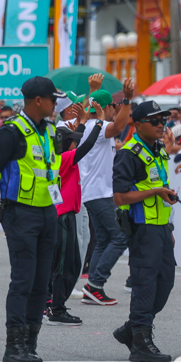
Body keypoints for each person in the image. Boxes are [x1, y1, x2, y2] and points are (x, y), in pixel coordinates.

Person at [0, 76, 71, 362]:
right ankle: (13, 346)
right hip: (20, 214)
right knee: (23, 280)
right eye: (53, 99)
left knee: (41, 283)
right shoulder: (11, 132)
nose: (56, 104)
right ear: (39, 101)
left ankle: (30, 343)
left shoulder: (48, 130)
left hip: (47, 212)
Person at [110, 101, 181, 362]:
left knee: (166, 283)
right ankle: (141, 340)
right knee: (145, 286)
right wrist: (156, 192)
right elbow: (119, 197)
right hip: (142, 230)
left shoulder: (159, 149)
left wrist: (167, 218)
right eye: (155, 121)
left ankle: (131, 329)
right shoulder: (129, 153)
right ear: (138, 125)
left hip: (161, 228)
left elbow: (159, 185)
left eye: (163, 120)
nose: (161, 125)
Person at [77, 75, 134, 307]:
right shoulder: (98, 126)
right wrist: (128, 100)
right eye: (114, 106)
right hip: (99, 193)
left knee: (103, 240)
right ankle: (96, 284)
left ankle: (93, 286)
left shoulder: (88, 125)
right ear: (105, 107)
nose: (116, 110)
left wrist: (92, 90)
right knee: (120, 237)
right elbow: (120, 126)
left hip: (93, 192)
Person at [46, 125, 85, 326]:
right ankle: (57, 309)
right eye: (73, 141)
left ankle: (48, 301)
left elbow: (70, 140)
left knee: (65, 265)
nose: (76, 143)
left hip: (63, 215)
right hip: (62, 217)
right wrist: (95, 124)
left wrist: (81, 123)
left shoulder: (56, 157)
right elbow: (87, 146)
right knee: (65, 267)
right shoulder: (65, 158)